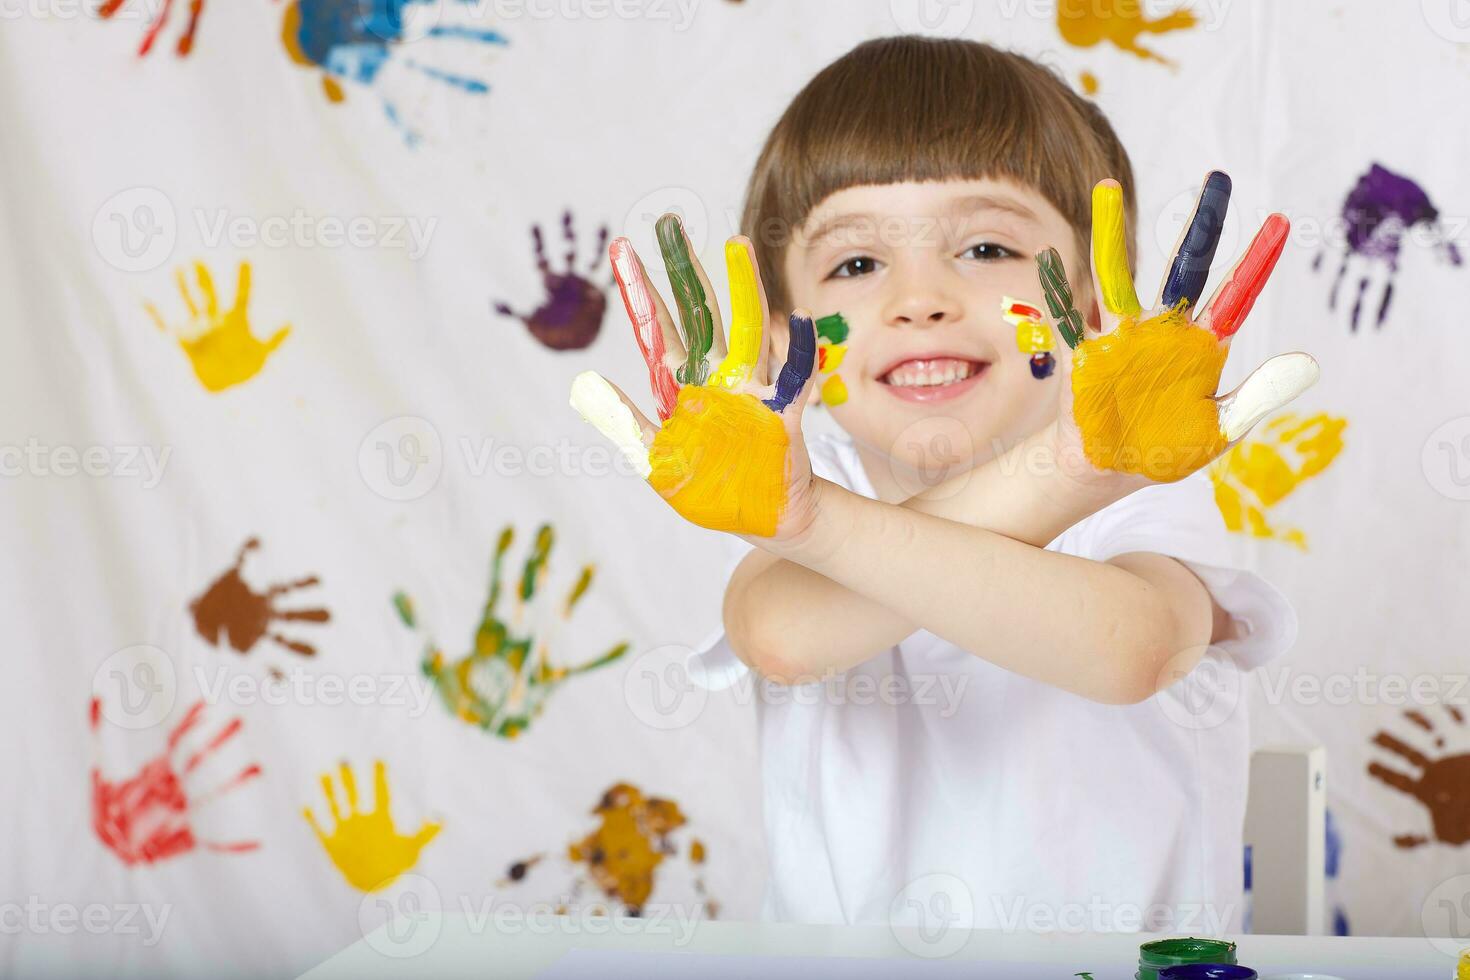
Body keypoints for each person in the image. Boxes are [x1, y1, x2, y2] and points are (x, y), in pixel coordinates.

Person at [571, 35, 1317, 933]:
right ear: (776, 345)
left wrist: (1079, 470)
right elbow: (778, 634)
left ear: (1087, 305)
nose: (920, 297)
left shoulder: (1139, 482)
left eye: (987, 245)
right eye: (856, 264)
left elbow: (1139, 651)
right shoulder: (809, 486)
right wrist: (1054, 478)